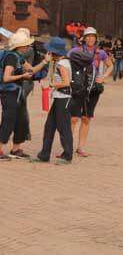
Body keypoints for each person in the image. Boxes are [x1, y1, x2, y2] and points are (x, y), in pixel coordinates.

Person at [69, 27, 111, 158]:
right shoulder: (76, 51)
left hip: (93, 89)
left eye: (93, 36)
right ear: (84, 38)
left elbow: (111, 65)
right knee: (74, 118)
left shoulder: (100, 53)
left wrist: (103, 77)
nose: (91, 39)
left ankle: (80, 147)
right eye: (88, 36)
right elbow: (64, 61)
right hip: (79, 87)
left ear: (96, 38)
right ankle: (67, 146)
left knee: (86, 118)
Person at [31, 37, 73, 164]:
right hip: (58, 97)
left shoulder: (62, 64)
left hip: (64, 98)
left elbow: (66, 83)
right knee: (49, 126)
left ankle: (67, 155)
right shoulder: (56, 62)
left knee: (63, 127)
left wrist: (51, 85)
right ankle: (44, 154)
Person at [0, 28, 37, 161]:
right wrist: (22, 75)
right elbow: (6, 78)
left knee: (21, 120)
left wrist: (45, 61)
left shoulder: (19, 57)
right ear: (20, 46)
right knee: (8, 120)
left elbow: (31, 70)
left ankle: (16, 149)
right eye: (26, 44)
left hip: (18, 93)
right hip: (9, 93)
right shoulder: (11, 57)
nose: (28, 46)